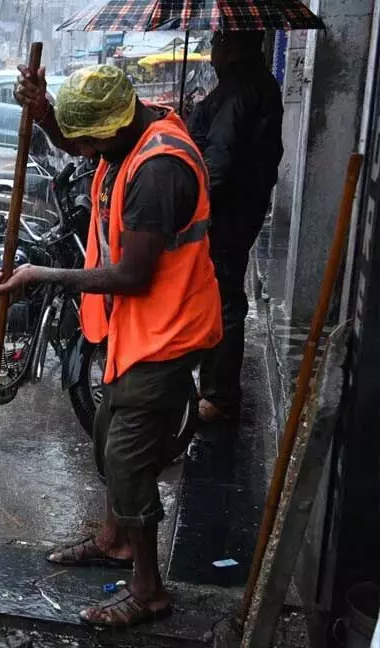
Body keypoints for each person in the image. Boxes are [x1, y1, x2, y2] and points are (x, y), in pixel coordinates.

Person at [0, 64, 223, 627]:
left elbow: (133, 275)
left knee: (127, 457)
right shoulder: (127, 139)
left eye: (92, 140)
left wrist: (45, 274)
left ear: (117, 126)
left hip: (167, 330)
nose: (84, 149)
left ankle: (148, 591)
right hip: (135, 329)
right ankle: (116, 539)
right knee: (104, 437)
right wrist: (44, 111)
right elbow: (74, 138)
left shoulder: (158, 170)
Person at [185, 31, 283, 423]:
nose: (211, 53)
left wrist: (191, 205)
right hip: (239, 209)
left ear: (233, 47)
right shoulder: (249, 85)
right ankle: (215, 386)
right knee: (221, 296)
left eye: (217, 43)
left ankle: (219, 396)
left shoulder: (240, 91)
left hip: (227, 214)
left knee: (223, 301)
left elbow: (219, 161)